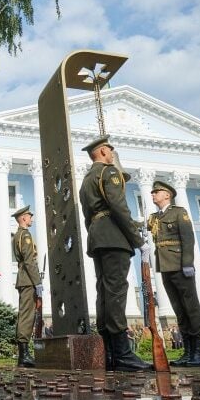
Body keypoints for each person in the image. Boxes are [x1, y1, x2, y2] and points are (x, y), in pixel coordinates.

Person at [79, 136, 150, 372]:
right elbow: (120, 207)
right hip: (114, 236)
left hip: (98, 236)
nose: (112, 152)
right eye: (110, 149)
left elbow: (87, 214)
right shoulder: (109, 173)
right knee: (117, 292)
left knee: (104, 293)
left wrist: (98, 232)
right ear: (101, 151)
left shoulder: (87, 178)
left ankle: (108, 353)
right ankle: (122, 354)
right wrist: (138, 240)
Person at [148, 179, 200, 368]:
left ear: (167, 194)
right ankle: (188, 353)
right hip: (165, 267)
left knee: (191, 309)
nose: (153, 194)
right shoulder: (155, 218)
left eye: (157, 192)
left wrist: (188, 263)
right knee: (180, 311)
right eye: (153, 192)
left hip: (181, 266)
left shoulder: (179, 212)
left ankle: (198, 353)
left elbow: (188, 239)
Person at [11, 205, 41, 367]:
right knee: (26, 316)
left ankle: (24, 355)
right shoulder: (25, 235)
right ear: (23, 218)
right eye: (30, 215)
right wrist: (38, 282)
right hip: (28, 279)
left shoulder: (18, 235)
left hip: (24, 278)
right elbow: (29, 261)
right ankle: (24, 356)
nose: (31, 218)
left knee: (26, 315)